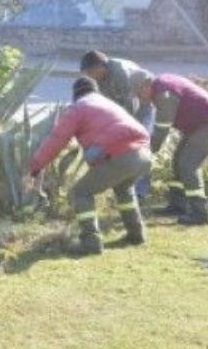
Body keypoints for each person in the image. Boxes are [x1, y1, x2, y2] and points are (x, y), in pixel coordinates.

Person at [28, 77, 152, 255]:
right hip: (143, 154)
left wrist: (35, 166)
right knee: (124, 188)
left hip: (120, 155)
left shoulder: (79, 107)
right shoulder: (107, 103)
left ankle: (91, 242)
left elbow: (56, 140)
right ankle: (136, 233)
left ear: (75, 95)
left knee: (81, 192)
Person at [132, 73, 208, 225]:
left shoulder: (164, 95)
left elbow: (162, 128)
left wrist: (148, 151)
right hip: (198, 125)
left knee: (188, 165)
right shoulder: (160, 84)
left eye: (139, 92)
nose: (139, 97)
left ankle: (200, 213)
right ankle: (178, 205)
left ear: (146, 84)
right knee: (178, 161)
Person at [80, 50, 155, 201]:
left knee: (140, 146)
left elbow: (131, 107)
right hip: (124, 109)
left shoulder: (120, 73)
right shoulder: (97, 79)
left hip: (143, 105)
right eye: (86, 73)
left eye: (90, 72)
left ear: (100, 67)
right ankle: (123, 185)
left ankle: (142, 191)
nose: (89, 76)